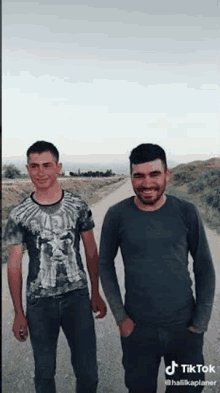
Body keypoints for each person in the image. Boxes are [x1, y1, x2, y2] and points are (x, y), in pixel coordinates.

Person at [99, 143, 215, 393]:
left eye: (154, 174)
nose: (147, 183)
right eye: (138, 175)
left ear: (167, 174)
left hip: (185, 329)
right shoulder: (116, 215)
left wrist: (200, 323)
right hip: (138, 331)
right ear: (131, 176)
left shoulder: (186, 212)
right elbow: (104, 265)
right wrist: (121, 318)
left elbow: (204, 266)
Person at [4, 140, 107, 393]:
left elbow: (91, 252)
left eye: (47, 165)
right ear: (27, 168)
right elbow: (14, 265)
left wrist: (95, 291)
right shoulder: (18, 215)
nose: (41, 172)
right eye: (35, 166)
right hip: (40, 303)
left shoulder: (78, 206)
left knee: (88, 372)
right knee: (44, 373)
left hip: (77, 298)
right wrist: (18, 311)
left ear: (58, 167)